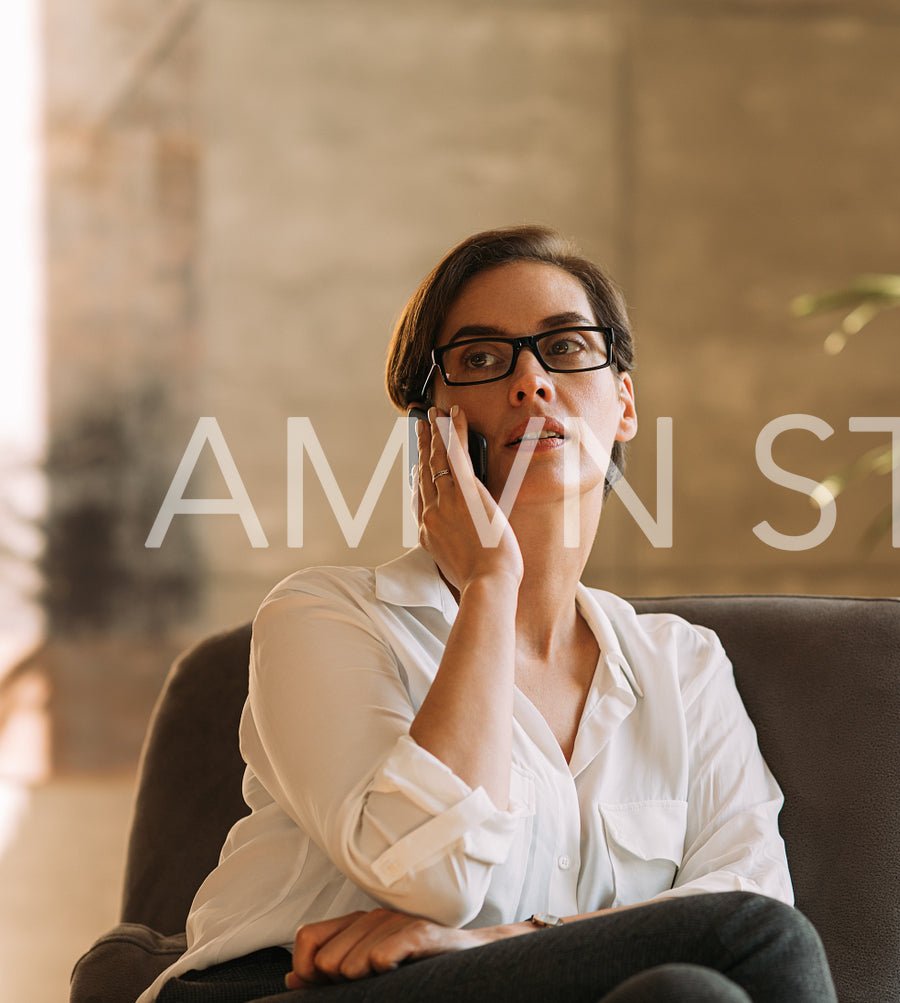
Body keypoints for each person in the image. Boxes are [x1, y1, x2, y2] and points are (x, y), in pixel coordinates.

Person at [138, 226, 837, 1003]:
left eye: (566, 348)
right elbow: (432, 875)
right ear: (429, 426)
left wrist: (500, 939)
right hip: (295, 989)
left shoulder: (681, 663)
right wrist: (490, 583)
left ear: (624, 402)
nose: (532, 382)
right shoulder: (323, 615)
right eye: (480, 358)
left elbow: (751, 885)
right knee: (752, 942)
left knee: (687, 992)